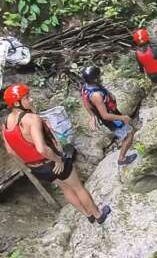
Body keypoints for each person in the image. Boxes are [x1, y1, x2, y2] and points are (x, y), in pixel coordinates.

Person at [2, 84, 111, 224]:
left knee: (65, 188)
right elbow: (41, 148)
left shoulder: (5, 124)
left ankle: (87, 214)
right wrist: (58, 160)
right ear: (17, 103)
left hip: (37, 169)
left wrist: (32, 164)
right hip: (51, 161)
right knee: (78, 187)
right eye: (27, 98)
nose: (31, 99)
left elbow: (11, 151)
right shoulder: (31, 119)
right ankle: (98, 214)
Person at [80, 66, 137, 167]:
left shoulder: (86, 87)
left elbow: (85, 102)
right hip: (111, 119)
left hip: (113, 112)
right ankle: (122, 158)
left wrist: (92, 116)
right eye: (98, 76)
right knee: (129, 135)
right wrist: (123, 118)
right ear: (94, 79)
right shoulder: (96, 95)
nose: (100, 77)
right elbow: (105, 116)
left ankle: (126, 143)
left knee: (128, 131)